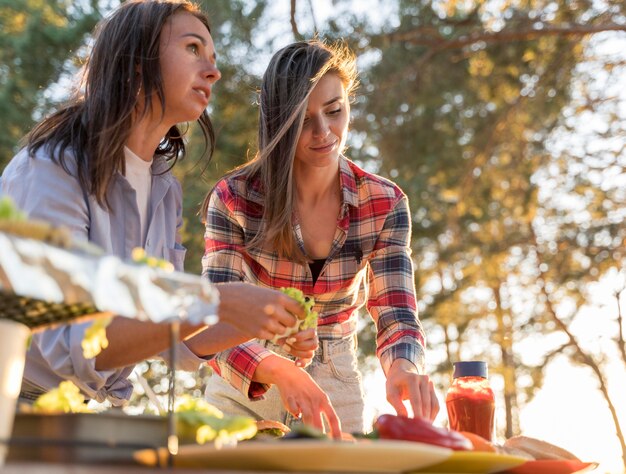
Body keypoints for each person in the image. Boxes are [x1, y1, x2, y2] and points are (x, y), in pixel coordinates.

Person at [0, 0, 303, 406]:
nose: (213, 71)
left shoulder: (163, 188)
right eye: (193, 48)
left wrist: (259, 320)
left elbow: (167, 338)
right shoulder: (50, 169)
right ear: (137, 61)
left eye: (212, 57)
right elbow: (72, 341)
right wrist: (218, 301)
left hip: (81, 413)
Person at [196, 39, 439, 437]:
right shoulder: (235, 198)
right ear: (279, 121)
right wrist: (277, 366)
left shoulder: (384, 202)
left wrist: (403, 367)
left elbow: (396, 313)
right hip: (245, 378)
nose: (324, 132)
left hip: (335, 380)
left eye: (334, 111)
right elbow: (211, 316)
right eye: (304, 120)